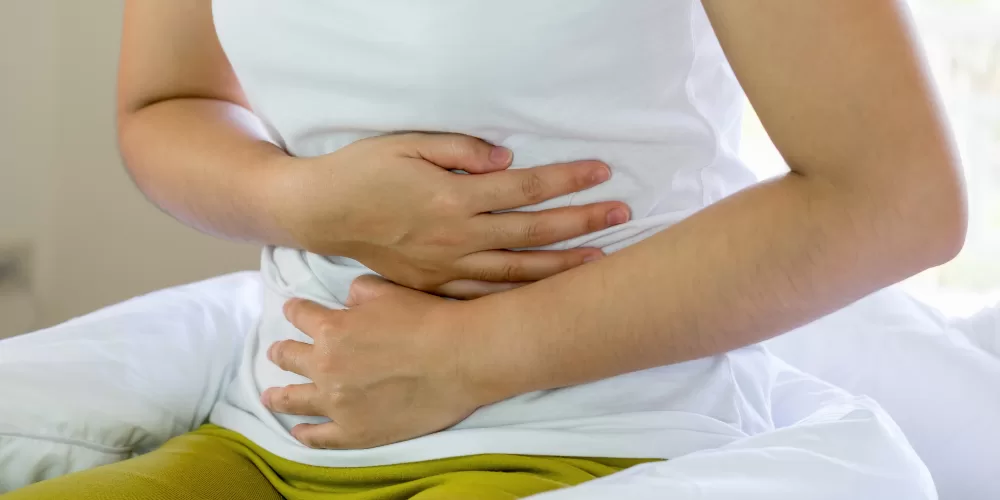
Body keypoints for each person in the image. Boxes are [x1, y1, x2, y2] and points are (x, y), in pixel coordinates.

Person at [5, 0, 964, 498]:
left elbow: (897, 199)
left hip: (594, 437)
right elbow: (164, 103)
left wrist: (471, 357)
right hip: (273, 430)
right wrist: (298, 199)